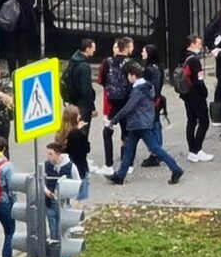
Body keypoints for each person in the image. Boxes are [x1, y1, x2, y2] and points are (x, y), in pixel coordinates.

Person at [107, 63, 184, 184]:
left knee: (152, 148)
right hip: (142, 122)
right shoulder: (147, 87)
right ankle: (120, 175)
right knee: (130, 149)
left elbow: (128, 107)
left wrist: (114, 119)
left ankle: (176, 169)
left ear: (133, 76)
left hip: (138, 123)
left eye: (128, 76)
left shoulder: (138, 90)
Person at [96, 37, 133, 175]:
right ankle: (126, 163)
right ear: (127, 48)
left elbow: (100, 80)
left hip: (112, 104)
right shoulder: (130, 63)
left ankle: (109, 164)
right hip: (126, 103)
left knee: (107, 132)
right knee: (126, 133)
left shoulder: (107, 62)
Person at [178, 35, 213, 163]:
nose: (201, 46)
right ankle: (196, 149)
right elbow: (199, 80)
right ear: (192, 44)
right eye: (199, 43)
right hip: (196, 95)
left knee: (191, 121)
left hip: (186, 93)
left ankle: (192, 149)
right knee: (204, 121)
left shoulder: (183, 57)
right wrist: (204, 92)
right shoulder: (194, 61)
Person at [43, 142, 80, 240]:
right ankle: (55, 250)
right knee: (53, 230)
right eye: (48, 154)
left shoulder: (70, 167)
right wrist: (46, 191)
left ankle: (64, 251)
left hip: (64, 204)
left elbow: (77, 183)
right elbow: (41, 181)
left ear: (58, 154)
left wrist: (73, 200)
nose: (48, 157)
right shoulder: (46, 165)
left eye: (51, 154)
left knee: (63, 230)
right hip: (50, 203)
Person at [55, 105, 90, 204]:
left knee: (67, 200)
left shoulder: (60, 132)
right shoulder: (77, 134)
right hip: (79, 168)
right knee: (78, 200)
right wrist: (81, 132)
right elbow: (85, 149)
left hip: (66, 169)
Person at [64, 39, 97, 139]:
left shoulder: (73, 61)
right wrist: (92, 108)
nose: (94, 51)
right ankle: (79, 153)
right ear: (87, 49)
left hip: (73, 102)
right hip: (83, 105)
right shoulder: (84, 66)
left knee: (73, 130)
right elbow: (86, 89)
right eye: (93, 48)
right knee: (82, 132)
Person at [142, 44, 165, 168]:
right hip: (157, 99)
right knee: (156, 125)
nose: (142, 53)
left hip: (151, 101)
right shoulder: (158, 67)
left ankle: (155, 153)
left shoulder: (150, 69)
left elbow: (150, 86)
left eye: (144, 51)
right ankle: (157, 151)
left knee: (152, 127)